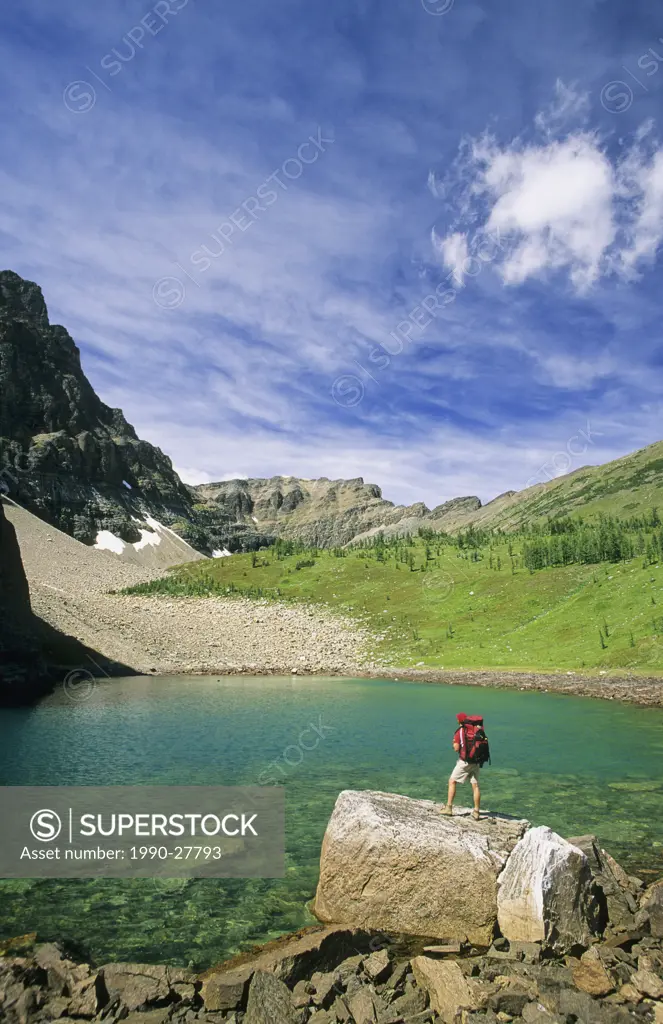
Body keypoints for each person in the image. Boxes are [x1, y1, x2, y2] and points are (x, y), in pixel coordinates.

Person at [441, 712, 489, 821]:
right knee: (475, 786)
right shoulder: (477, 730)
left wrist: (454, 743)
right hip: (476, 762)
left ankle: (448, 808)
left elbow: (456, 748)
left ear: (459, 721)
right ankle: (476, 812)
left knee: (452, 781)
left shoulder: (460, 731)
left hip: (464, 762)